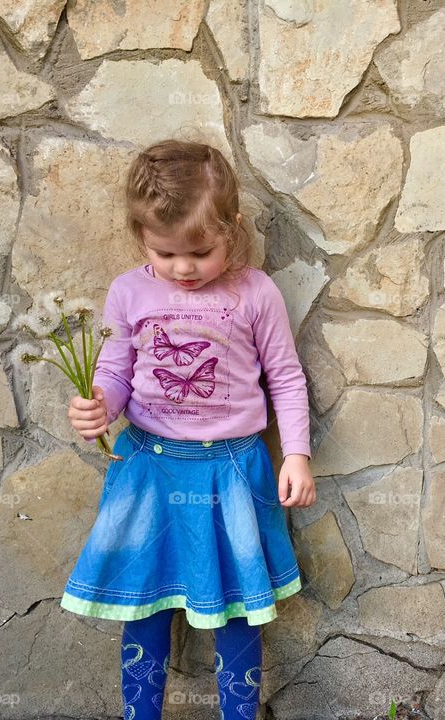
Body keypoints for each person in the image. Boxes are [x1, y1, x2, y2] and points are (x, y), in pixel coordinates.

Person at [59, 139, 316, 720]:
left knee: (238, 607)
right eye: (163, 253)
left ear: (234, 227)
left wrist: (294, 455)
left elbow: (285, 376)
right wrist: (100, 404)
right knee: (143, 604)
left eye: (200, 251)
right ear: (140, 237)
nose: (182, 269)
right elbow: (115, 371)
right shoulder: (128, 292)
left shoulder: (256, 293)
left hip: (233, 471)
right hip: (150, 468)